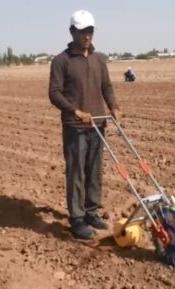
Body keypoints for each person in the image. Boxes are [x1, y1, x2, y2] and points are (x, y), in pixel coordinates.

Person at [48, 10, 122, 240]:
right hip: (75, 127)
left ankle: (91, 212)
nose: (86, 35)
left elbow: (106, 87)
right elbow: (54, 93)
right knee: (76, 172)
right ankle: (77, 219)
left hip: (98, 125)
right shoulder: (62, 61)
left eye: (90, 30)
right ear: (72, 32)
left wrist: (114, 107)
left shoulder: (99, 59)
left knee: (94, 171)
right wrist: (75, 111)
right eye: (82, 31)